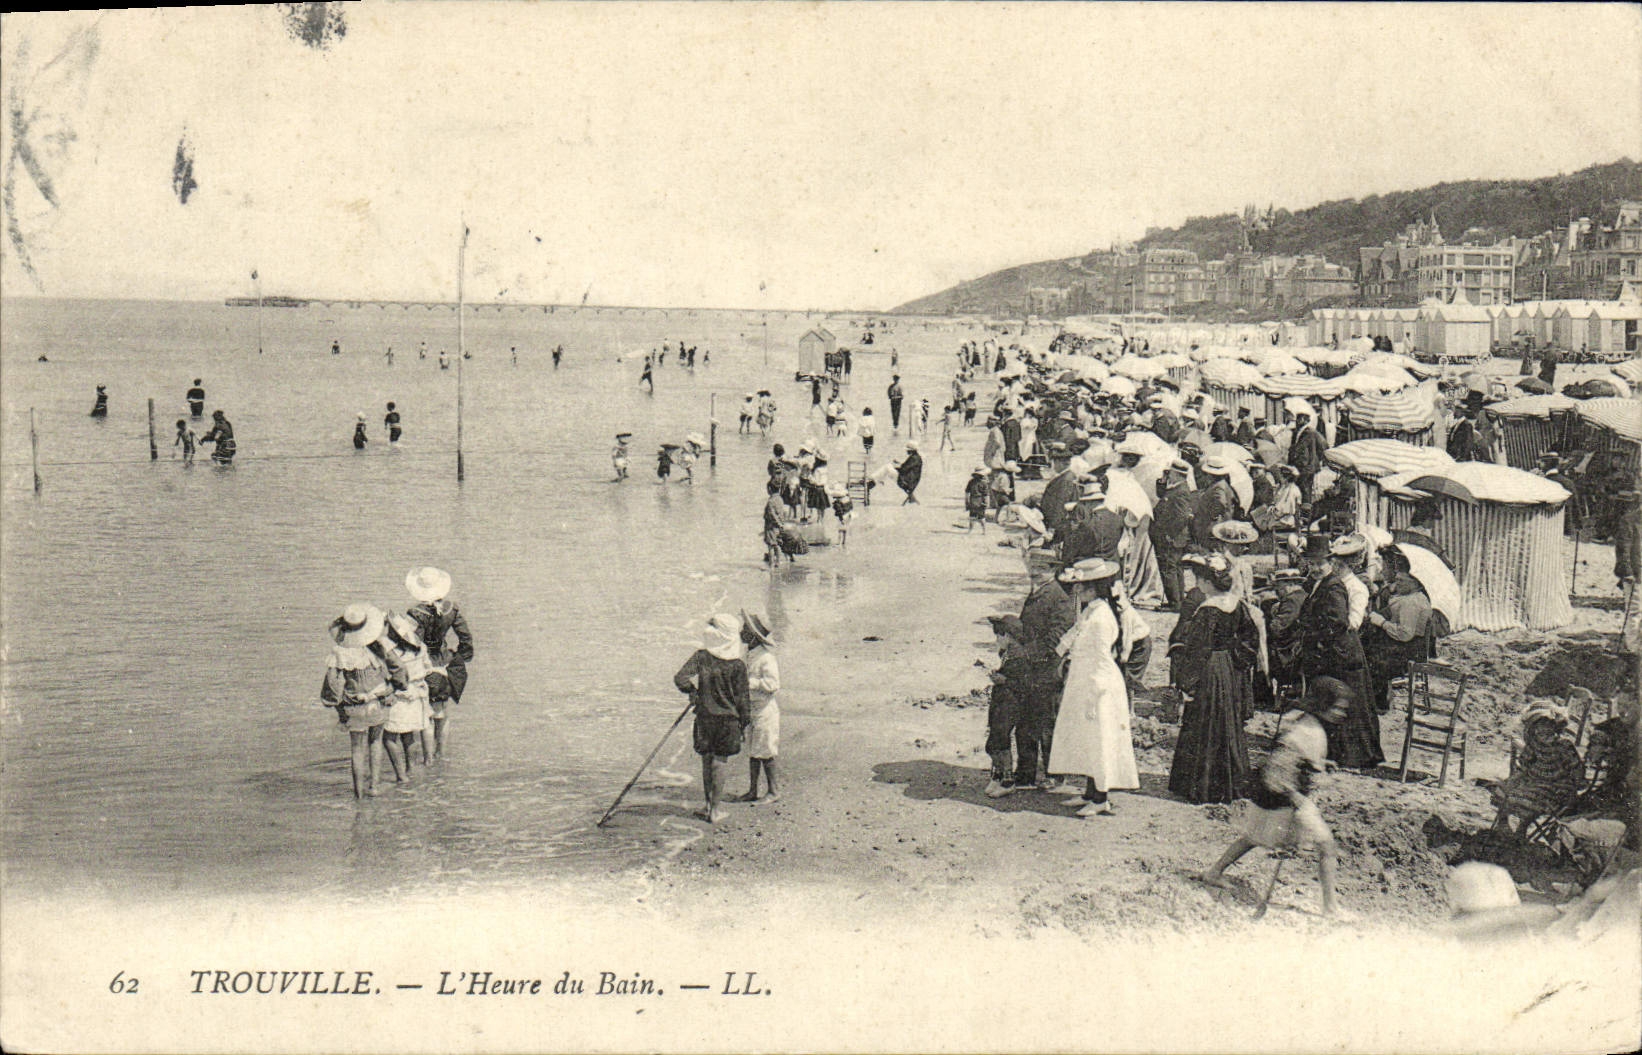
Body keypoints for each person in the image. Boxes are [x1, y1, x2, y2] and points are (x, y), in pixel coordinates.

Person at [1198, 677, 1355, 919]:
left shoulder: (1309, 724)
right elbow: (1276, 771)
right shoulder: (1304, 732)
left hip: (1282, 797)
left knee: (1253, 837)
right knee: (1326, 845)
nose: (1341, 713)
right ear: (1323, 704)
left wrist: (1321, 764)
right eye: (1337, 707)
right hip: (1286, 798)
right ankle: (1330, 908)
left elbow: (1300, 760)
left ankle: (1214, 872)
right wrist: (1294, 796)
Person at [1049, 560, 1140, 817]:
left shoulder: (1101, 616)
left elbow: (1099, 655)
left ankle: (1101, 797)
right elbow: (1074, 635)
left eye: (1082, 586)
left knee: (1100, 737)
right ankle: (1090, 791)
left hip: (1098, 683)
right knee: (1087, 737)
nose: (1077, 590)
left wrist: (1093, 689)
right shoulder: (1091, 610)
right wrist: (1059, 653)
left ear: (1094, 588)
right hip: (1085, 678)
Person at [1167, 554, 1258, 804]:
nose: (1196, 584)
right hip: (1227, 669)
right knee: (1227, 723)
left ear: (1208, 582)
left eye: (1198, 579)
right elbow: (1250, 639)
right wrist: (1236, 662)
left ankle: (1205, 785)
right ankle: (1230, 781)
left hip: (1208, 669)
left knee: (1204, 723)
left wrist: (1187, 683)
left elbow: (1197, 650)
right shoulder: (1236, 604)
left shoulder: (1207, 610)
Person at [1295, 535, 1382, 770]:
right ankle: (1334, 751)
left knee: (1346, 704)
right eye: (1311, 564)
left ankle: (1353, 756)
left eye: (1319, 563)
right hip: (1333, 651)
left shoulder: (1335, 587)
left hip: (1340, 653)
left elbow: (1339, 623)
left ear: (1331, 563)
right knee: (1335, 702)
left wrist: (1316, 637)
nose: (1315, 568)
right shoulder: (1321, 583)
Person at [320, 604, 403, 799]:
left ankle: (358, 793)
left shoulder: (340, 652)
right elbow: (399, 669)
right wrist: (393, 688)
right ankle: (374, 786)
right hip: (378, 700)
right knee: (376, 742)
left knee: (357, 749)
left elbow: (333, 685)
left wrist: (338, 707)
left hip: (354, 704)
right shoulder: (379, 645)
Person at [673, 613, 751, 824]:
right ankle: (715, 810)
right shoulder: (737, 665)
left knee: (706, 760)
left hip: (704, 717)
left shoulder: (702, 657)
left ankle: (708, 806)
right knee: (720, 761)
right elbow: (743, 700)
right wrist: (744, 724)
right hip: (728, 721)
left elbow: (680, 678)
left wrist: (692, 691)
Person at [405, 566, 473, 760]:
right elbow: (466, 637)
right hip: (445, 663)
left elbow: (414, 643)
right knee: (441, 713)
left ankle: (428, 759)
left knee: (426, 715)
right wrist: (460, 657)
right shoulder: (451, 609)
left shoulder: (415, 613)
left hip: (425, 667)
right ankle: (441, 755)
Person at [1490, 701, 1586, 834]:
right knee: (1503, 790)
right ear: (1533, 728)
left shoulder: (1563, 745)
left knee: (1527, 798)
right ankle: (1503, 824)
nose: (1543, 730)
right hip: (1535, 781)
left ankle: (1521, 829)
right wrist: (1516, 778)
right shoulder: (1534, 744)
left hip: (1557, 786)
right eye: (1538, 726)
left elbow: (1577, 770)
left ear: (1555, 727)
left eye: (1548, 726)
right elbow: (1525, 764)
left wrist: (1573, 786)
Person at [1362, 546, 1434, 713]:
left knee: (1372, 658)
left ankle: (1380, 703)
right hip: (1408, 645)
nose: (1397, 583)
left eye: (1401, 581)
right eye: (1397, 580)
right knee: (1370, 645)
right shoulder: (1411, 596)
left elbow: (1404, 634)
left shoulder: (1412, 603)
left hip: (1409, 651)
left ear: (1414, 584)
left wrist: (1382, 623)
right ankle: (1375, 697)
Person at [984, 615, 1038, 797]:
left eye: (999, 636)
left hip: (1011, 705)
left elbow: (1024, 685)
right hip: (1004, 703)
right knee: (996, 739)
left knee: (1000, 740)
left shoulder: (1019, 657)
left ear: (1008, 636)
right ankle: (998, 775)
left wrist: (1004, 680)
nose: (996, 640)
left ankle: (1007, 780)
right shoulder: (1010, 653)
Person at [379, 612, 433, 778]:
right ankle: (411, 768)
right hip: (418, 695)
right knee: (409, 735)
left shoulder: (390, 651)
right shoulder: (420, 647)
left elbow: (389, 674)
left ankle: (401, 774)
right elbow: (428, 669)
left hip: (399, 696)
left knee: (389, 737)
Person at [736, 612, 781, 804]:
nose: (741, 632)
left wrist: (750, 682)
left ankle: (774, 791)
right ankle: (752, 790)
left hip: (765, 710)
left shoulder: (766, 657)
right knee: (753, 751)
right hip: (752, 708)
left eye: (745, 629)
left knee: (766, 750)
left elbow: (773, 684)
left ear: (754, 636)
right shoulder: (748, 654)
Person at [1150, 459, 1196, 610]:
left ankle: (1174, 603)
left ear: (1177, 474)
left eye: (1170, 473)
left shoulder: (1181, 491)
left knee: (1168, 569)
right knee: (1175, 568)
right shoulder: (1176, 487)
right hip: (1172, 536)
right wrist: (1162, 480)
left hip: (1172, 537)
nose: (1169, 475)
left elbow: (1182, 516)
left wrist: (1170, 534)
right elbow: (1161, 494)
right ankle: (1178, 600)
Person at [1287, 411, 1325, 504]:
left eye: (1299, 419)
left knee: (1306, 490)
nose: (1297, 421)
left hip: (1306, 467)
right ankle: (1303, 508)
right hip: (1300, 466)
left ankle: (1306, 510)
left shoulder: (1311, 432)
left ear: (1305, 420)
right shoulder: (1298, 432)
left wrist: (1314, 460)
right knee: (1301, 489)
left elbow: (1323, 446)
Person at [964, 467, 990, 532]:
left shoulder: (971, 482)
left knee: (972, 516)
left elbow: (967, 493)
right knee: (982, 517)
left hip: (972, 500)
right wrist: (987, 503)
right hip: (980, 501)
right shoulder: (984, 483)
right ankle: (984, 530)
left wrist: (967, 502)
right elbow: (986, 495)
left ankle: (970, 530)